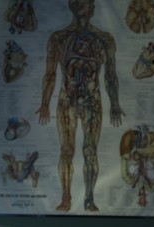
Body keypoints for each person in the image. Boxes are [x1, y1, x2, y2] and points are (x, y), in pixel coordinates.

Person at [37, 0, 124, 212]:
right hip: (67, 99)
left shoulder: (104, 40)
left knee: (90, 150)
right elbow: (50, 74)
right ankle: (66, 198)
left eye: (91, 4)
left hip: (92, 101)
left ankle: (88, 198)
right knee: (67, 150)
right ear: (75, 6)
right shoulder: (59, 39)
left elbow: (110, 75)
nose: (90, 7)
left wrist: (115, 103)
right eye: (86, 4)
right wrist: (45, 103)